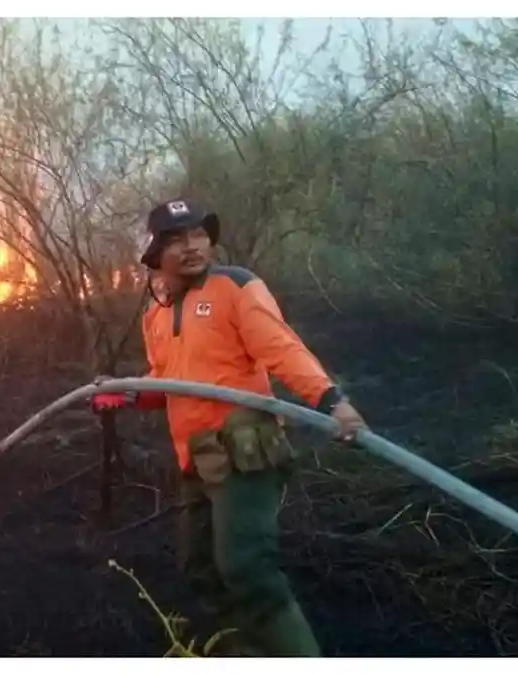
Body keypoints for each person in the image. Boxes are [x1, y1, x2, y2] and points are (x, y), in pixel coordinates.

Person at [92, 198, 367, 656]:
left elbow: (282, 348)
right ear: (156, 254)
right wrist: (128, 392)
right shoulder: (156, 315)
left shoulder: (235, 287)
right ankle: (248, 653)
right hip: (196, 458)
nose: (191, 247)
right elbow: (169, 380)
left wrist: (332, 401)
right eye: (175, 240)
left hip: (244, 449)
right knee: (200, 567)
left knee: (246, 568)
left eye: (198, 235)